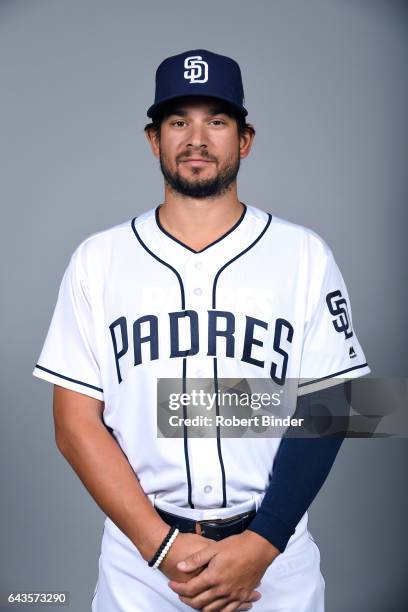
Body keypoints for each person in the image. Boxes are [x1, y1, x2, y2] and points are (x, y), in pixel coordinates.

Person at [32, 49, 371, 611]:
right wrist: (160, 545)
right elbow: (73, 423)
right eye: (178, 121)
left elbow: (337, 405)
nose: (196, 137)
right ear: (153, 140)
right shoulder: (99, 259)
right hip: (141, 565)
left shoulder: (303, 253)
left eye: (216, 120)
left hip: (274, 562)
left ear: (244, 139)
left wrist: (264, 542)